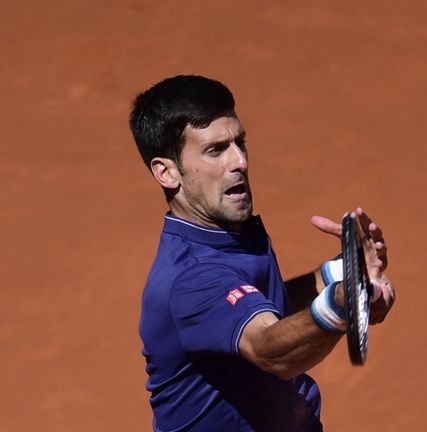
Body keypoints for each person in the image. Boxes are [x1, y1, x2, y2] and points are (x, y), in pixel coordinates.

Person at [129, 75, 395, 432]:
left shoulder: (229, 229)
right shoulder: (193, 277)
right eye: (215, 150)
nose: (239, 161)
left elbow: (264, 306)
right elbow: (271, 350)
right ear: (167, 172)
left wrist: (343, 276)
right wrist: (341, 305)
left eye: (240, 142)